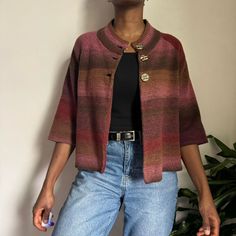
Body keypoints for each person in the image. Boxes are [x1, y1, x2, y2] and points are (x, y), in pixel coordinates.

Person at [32, 0, 221, 235]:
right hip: (98, 173)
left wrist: (205, 197)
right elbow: (67, 122)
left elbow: (187, 127)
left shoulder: (170, 48)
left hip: (155, 176)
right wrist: (47, 187)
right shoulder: (87, 46)